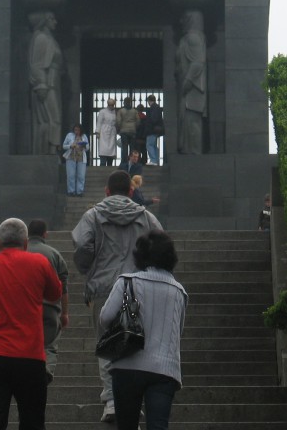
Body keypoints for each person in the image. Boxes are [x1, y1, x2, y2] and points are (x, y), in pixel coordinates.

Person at [72, 170, 163, 422]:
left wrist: (87, 269)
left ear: (106, 191)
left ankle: (112, 401)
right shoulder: (146, 217)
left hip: (103, 288)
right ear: (131, 191)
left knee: (106, 343)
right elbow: (162, 245)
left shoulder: (92, 216)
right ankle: (133, 399)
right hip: (139, 286)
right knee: (135, 342)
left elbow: (82, 247)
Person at [0, 218, 62, 430]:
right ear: (25, 243)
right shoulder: (40, 263)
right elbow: (55, 294)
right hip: (31, 357)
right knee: (33, 421)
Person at [100, 230, 188, 430]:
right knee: (158, 425)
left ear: (140, 256)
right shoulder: (179, 291)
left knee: (127, 425)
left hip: (127, 365)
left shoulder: (127, 281)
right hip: (164, 370)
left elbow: (105, 318)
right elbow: (177, 331)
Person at [26, 218, 70, 384]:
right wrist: (64, 313)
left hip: (26, 307)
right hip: (50, 307)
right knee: (49, 343)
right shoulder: (54, 254)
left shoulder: (21, 252)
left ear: (28, 233)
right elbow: (63, 288)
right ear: (45, 233)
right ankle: (47, 369)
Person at [29, 9, 64, 155]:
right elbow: (36, 64)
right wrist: (41, 84)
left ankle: (52, 150)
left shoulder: (50, 39)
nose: (55, 22)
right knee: (52, 118)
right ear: (44, 20)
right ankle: (49, 151)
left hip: (54, 82)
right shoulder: (41, 38)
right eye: (52, 19)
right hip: (46, 84)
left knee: (55, 118)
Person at [175, 9, 206, 155]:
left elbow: (198, 62)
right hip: (186, 89)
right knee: (186, 122)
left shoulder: (193, 38)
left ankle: (193, 154)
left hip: (192, 90)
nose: (181, 22)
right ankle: (188, 152)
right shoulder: (186, 39)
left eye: (184, 18)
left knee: (191, 122)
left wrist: (187, 80)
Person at [63, 124, 89, 196]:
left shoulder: (84, 136)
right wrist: (70, 146)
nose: (76, 131)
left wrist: (84, 146)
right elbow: (64, 146)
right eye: (75, 130)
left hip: (81, 157)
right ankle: (71, 191)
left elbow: (87, 148)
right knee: (71, 175)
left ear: (81, 130)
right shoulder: (69, 135)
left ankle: (79, 191)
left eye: (78, 130)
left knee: (81, 175)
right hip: (71, 156)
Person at [116, 97, 140, 161]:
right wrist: (135, 127)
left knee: (124, 147)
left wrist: (119, 129)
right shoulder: (135, 111)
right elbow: (138, 121)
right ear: (130, 102)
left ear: (124, 102)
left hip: (124, 131)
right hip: (132, 131)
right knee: (132, 147)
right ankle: (132, 161)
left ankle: (124, 161)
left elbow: (118, 121)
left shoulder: (121, 111)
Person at [96, 98, 119, 167]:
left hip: (112, 131)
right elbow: (99, 122)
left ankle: (110, 164)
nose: (111, 106)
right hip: (103, 131)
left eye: (112, 104)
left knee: (111, 150)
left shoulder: (115, 112)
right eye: (110, 104)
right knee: (103, 149)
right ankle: (102, 164)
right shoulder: (102, 111)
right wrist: (97, 132)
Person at [143, 95, 164, 166]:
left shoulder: (154, 107)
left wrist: (148, 125)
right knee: (154, 145)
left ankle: (153, 160)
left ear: (149, 100)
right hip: (156, 129)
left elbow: (153, 119)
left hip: (152, 129)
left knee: (149, 145)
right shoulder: (157, 107)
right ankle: (156, 161)